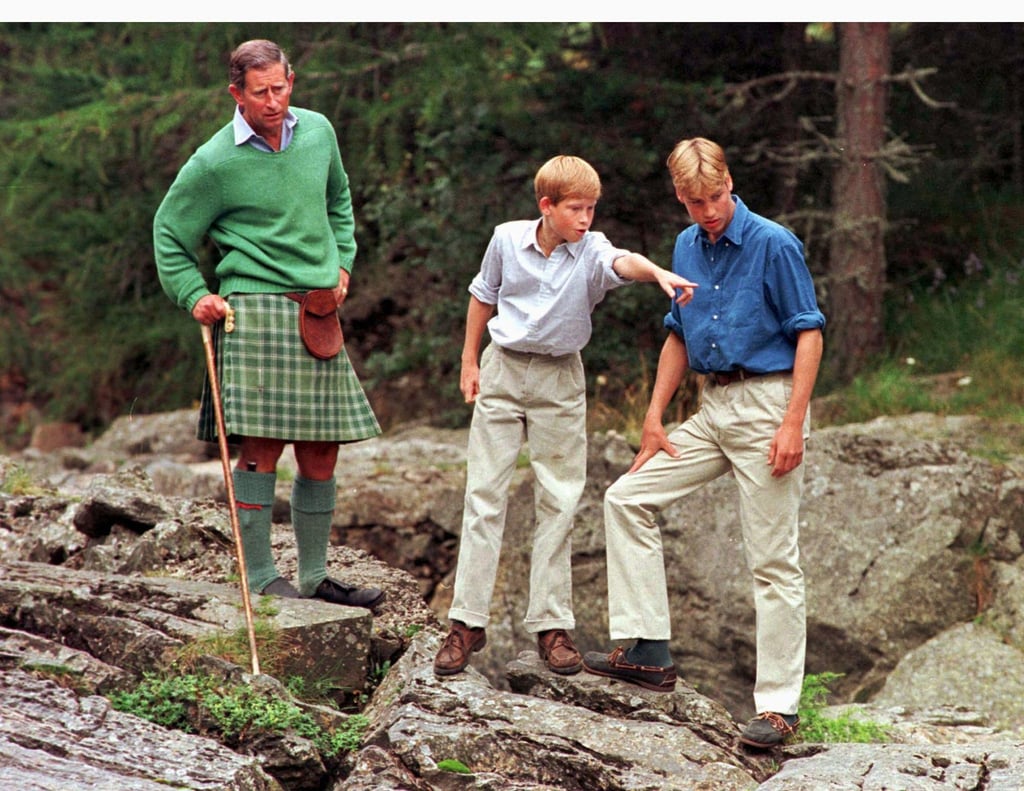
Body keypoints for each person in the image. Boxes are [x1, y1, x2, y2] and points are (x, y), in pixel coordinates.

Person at [582, 137, 826, 749]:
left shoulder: (773, 243)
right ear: (679, 197)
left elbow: (810, 334)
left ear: (730, 182)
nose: (707, 211)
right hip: (712, 407)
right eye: (694, 202)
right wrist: (654, 417)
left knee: (772, 560)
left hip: (768, 406)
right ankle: (648, 649)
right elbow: (677, 336)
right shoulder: (687, 245)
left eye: (714, 197)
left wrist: (793, 421)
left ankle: (778, 708)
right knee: (625, 498)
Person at [433, 155, 697, 678]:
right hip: (503, 369)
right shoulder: (507, 239)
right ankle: (466, 622)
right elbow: (482, 297)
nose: (585, 218)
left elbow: (625, 261)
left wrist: (657, 274)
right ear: (546, 206)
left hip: (560, 378)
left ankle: (552, 625)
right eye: (575, 209)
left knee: (559, 499)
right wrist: (468, 361)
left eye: (592, 208)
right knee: (484, 495)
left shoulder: (592, 249)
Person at [153, 39, 384, 608]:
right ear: (237, 94)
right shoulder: (214, 162)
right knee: (261, 449)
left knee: (323, 449)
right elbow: (169, 234)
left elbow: (339, 200)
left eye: (281, 87)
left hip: (317, 308)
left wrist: (343, 263)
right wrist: (194, 295)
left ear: (291, 80)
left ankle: (314, 579)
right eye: (261, 93)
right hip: (252, 306)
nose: (274, 101)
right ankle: (259, 577)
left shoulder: (319, 132)